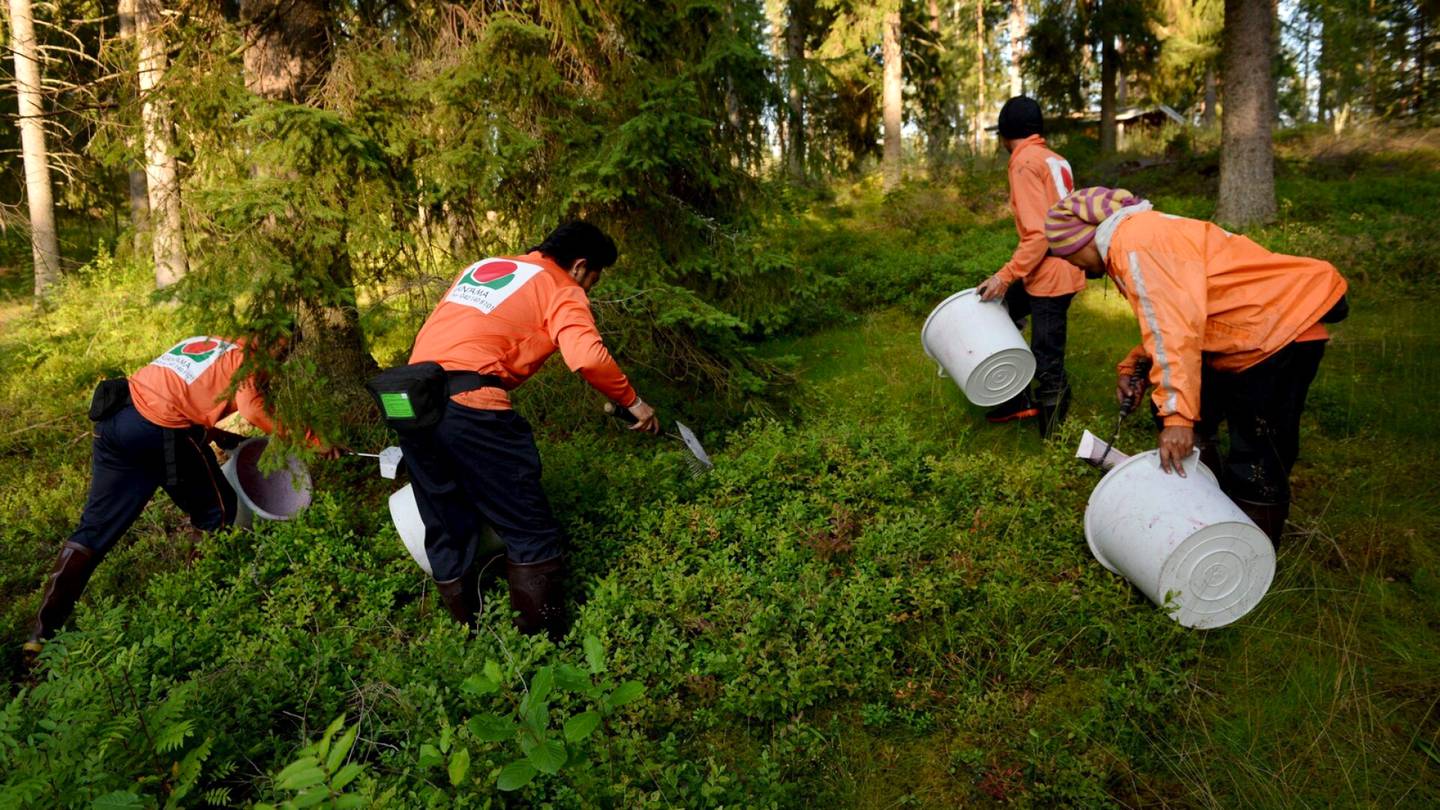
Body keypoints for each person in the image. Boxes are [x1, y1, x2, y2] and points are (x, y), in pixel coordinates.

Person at [399, 220, 658, 640]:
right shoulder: (561, 287)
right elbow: (588, 358)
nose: (590, 289)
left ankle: (470, 639)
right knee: (530, 530)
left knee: (448, 524)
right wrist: (633, 402)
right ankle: (544, 651)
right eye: (594, 278)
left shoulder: (487, 265)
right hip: (472, 405)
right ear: (579, 266)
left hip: (412, 402)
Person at [1044, 187, 1349, 541]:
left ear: (1082, 239)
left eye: (1069, 256)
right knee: (1187, 413)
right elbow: (1179, 317)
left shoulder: (1136, 244)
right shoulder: (1141, 234)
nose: (1075, 267)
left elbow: (1174, 328)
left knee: (1257, 459)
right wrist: (1136, 364)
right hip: (1254, 326)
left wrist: (1179, 419)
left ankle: (1247, 560)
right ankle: (1206, 510)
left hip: (1278, 332)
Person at [22, 334, 324, 662]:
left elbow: (175, 392)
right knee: (217, 510)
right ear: (272, 348)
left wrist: (218, 435)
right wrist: (312, 440)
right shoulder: (246, 362)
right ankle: (194, 603)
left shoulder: (209, 342)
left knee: (93, 530)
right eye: (279, 355)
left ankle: (39, 635)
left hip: (116, 418)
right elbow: (252, 409)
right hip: (157, 432)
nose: (275, 366)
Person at [975, 96, 1084, 437]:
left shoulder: (1023, 163)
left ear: (1006, 133)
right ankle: (1017, 397)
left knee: (1047, 355)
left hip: (1053, 273)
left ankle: (1053, 438)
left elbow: (1040, 233)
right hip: (1061, 265)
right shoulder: (1054, 158)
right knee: (1002, 312)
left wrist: (1005, 276)